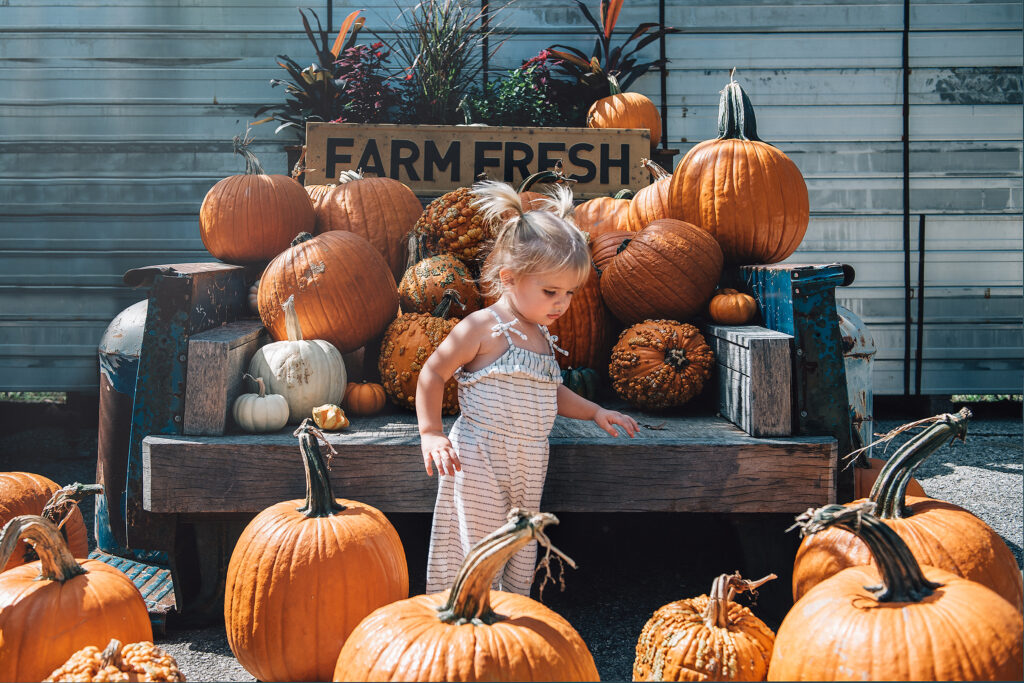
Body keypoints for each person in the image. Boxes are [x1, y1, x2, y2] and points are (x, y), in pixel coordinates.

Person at [416, 179, 639, 596]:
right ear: (509, 278)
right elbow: (432, 373)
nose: (562, 303)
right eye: (551, 291)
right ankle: (464, 620)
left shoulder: (539, 335)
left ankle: (508, 617)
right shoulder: (484, 328)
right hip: (480, 455)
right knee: (478, 545)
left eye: (571, 293)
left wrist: (594, 412)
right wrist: (431, 433)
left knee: (519, 543)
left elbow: (549, 392)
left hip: (529, 459)